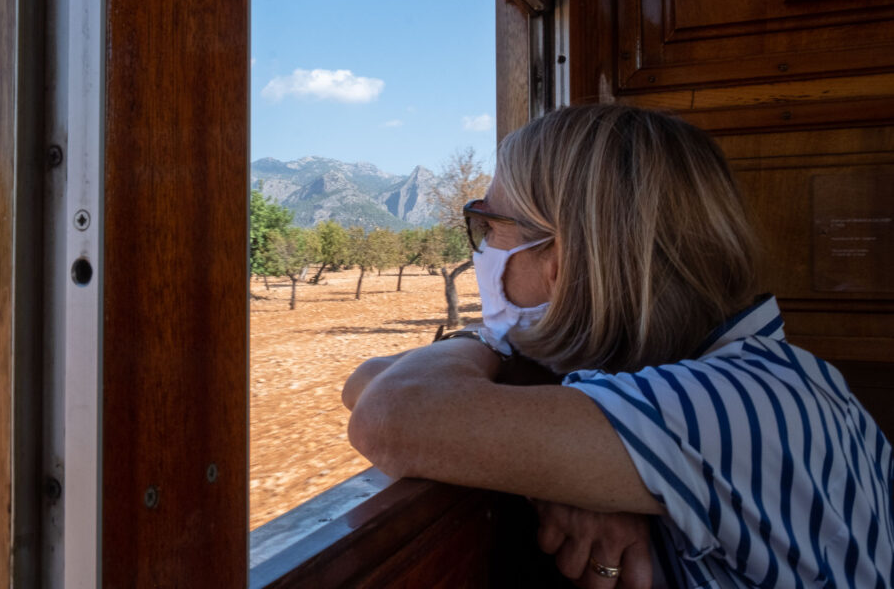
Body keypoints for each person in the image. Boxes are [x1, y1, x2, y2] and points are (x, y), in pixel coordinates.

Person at [342, 104, 893, 588]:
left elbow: (392, 414)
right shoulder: (731, 377)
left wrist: (532, 439)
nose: (483, 247)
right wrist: (561, 471)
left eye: (489, 224)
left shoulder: (737, 403)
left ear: (564, 260)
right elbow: (370, 379)